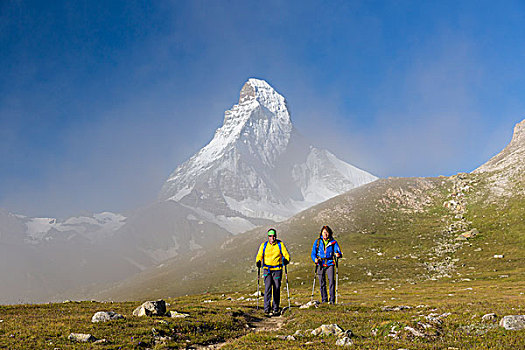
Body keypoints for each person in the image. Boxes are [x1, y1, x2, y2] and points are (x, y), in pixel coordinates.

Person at [255, 228, 291, 316]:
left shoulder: (280, 244)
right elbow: (259, 255)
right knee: (267, 288)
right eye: (270, 236)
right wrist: (258, 261)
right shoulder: (264, 245)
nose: (272, 237)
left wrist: (286, 260)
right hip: (267, 270)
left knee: (276, 288)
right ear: (268, 237)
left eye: (274, 236)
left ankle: (275, 308)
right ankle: (266, 309)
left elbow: (286, 254)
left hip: (277, 270)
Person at [311, 225, 342, 304]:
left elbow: (338, 251)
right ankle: (324, 300)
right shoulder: (317, 242)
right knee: (322, 282)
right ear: (321, 233)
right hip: (320, 263)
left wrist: (338, 254)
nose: (325, 234)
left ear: (329, 233)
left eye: (327, 232)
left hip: (330, 263)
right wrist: (315, 259)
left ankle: (332, 300)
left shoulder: (333, 242)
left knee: (331, 281)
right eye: (324, 232)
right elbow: (313, 253)